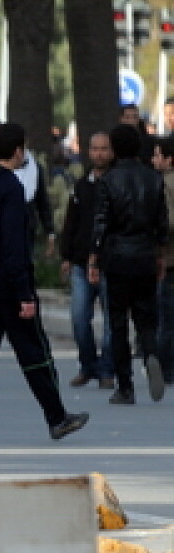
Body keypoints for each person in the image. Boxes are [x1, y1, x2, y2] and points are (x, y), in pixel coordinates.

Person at [0, 122, 89, 442]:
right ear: (17, 151)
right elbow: (15, 246)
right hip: (9, 287)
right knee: (34, 354)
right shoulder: (11, 190)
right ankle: (57, 417)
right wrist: (24, 293)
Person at [89, 124, 169, 405]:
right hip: (145, 254)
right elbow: (162, 223)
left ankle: (125, 386)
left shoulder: (108, 181)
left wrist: (94, 258)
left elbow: (101, 222)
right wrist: (159, 254)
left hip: (117, 256)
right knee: (147, 317)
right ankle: (150, 355)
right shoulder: (153, 179)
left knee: (118, 322)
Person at [60, 132, 114, 390]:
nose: (100, 154)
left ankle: (107, 369)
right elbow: (72, 222)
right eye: (95, 149)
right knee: (80, 318)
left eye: (104, 149)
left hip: (109, 263)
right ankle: (87, 365)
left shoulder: (116, 183)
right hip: (81, 263)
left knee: (111, 322)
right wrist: (66, 256)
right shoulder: (82, 185)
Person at [154, 136, 174, 384]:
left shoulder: (166, 185)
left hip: (169, 258)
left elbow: (169, 221)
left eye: (158, 155)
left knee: (167, 318)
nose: (154, 160)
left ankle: (165, 367)